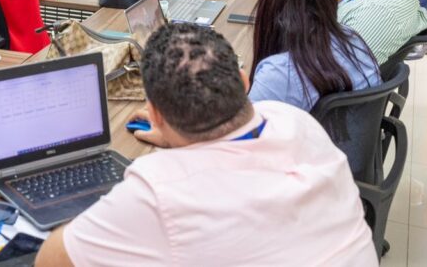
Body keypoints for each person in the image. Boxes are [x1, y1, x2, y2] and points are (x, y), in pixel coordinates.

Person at [35, 23, 377, 267]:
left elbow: (50, 260)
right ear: (245, 83)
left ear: (154, 114)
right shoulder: (295, 121)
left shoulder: (157, 190)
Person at [249, 0, 379, 111]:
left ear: (270, 0)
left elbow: (244, 133)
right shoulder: (354, 40)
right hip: (359, 136)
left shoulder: (278, 74)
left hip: (311, 136)